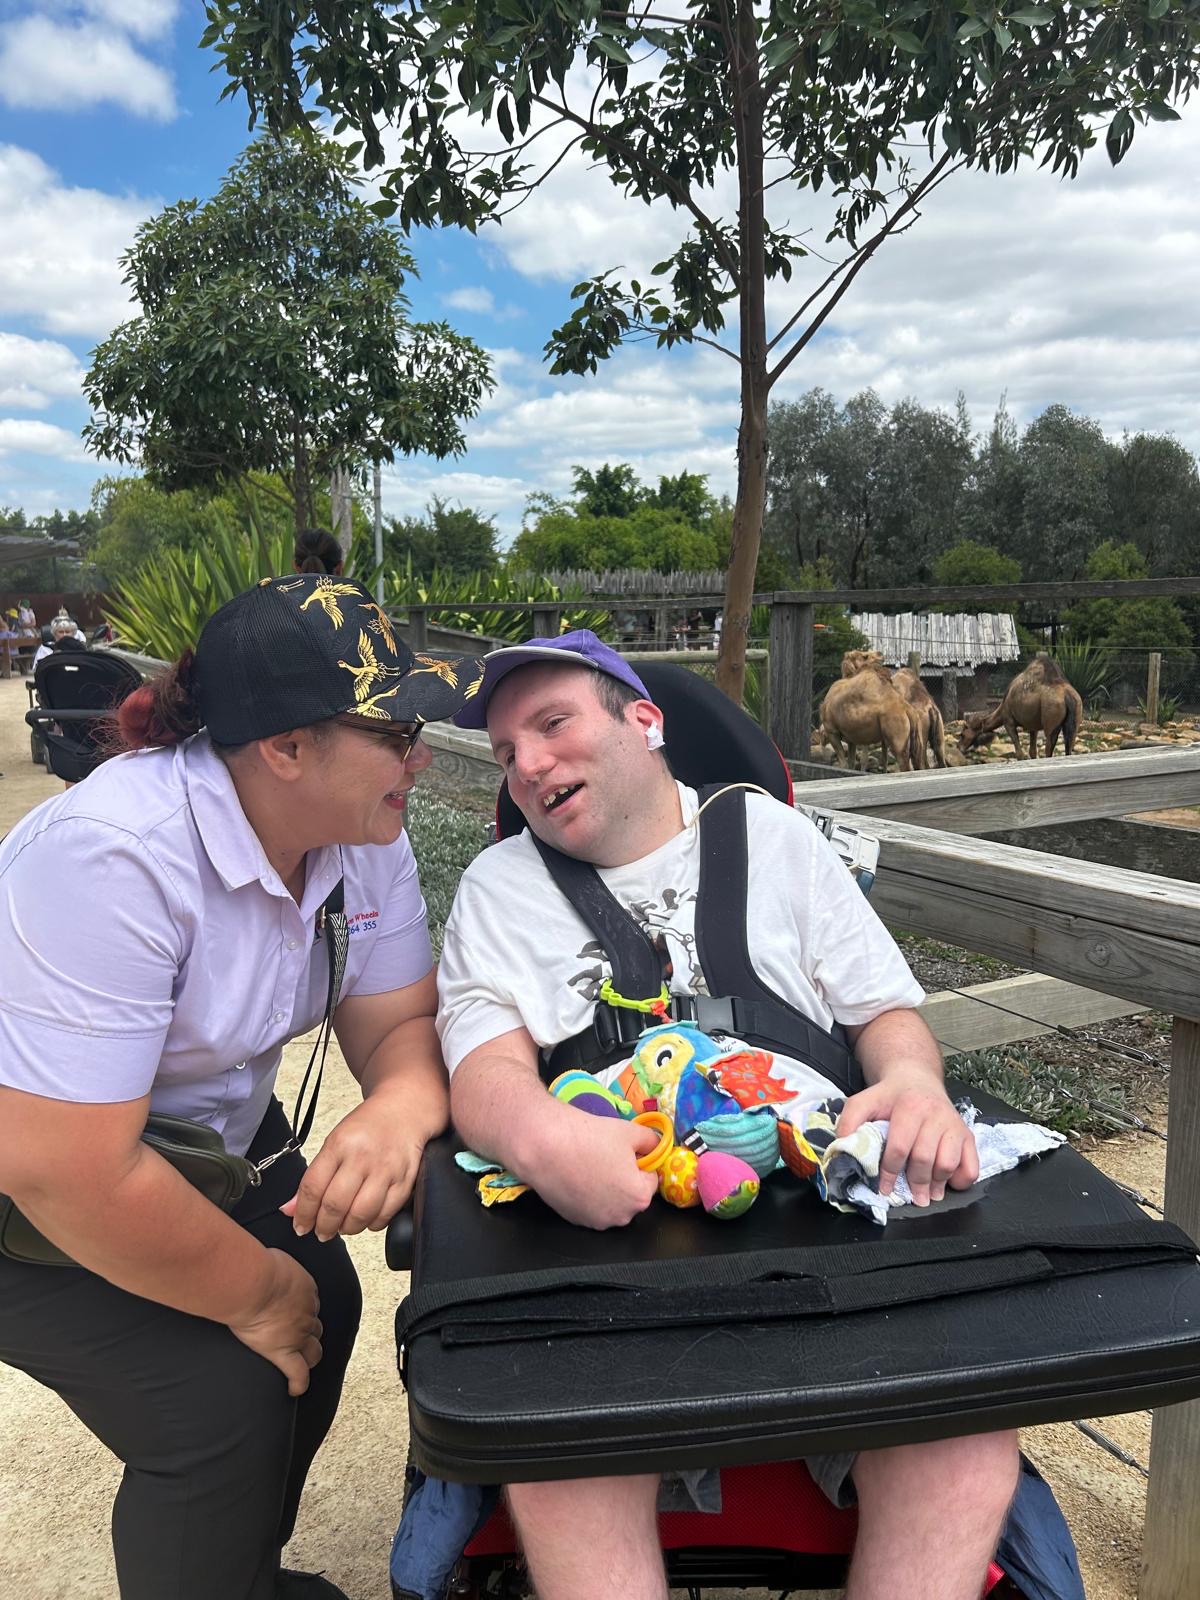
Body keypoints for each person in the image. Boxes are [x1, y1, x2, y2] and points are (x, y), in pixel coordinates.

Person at [435, 631, 1020, 1600]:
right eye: (506, 753)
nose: (526, 765)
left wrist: (914, 1084)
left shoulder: (779, 841)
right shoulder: (499, 887)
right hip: (615, 1242)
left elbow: (886, 1016)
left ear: (645, 720)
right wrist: (539, 1136)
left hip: (824, 1223)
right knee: (559, 1455)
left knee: (961, 1444)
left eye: (552, 724)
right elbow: (485, 1073)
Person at [0, 575, 485, 1600]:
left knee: (328, 1301)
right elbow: (68, 1170)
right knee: (216, 1400)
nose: (423, 757)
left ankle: (233, 1572)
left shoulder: (361, 832)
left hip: (191, 1143)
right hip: (31, 1183)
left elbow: (400, 1024)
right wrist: (256, 1292)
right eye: (396, 732)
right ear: (286, 746)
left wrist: (398, 1107)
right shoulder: (112, 859)